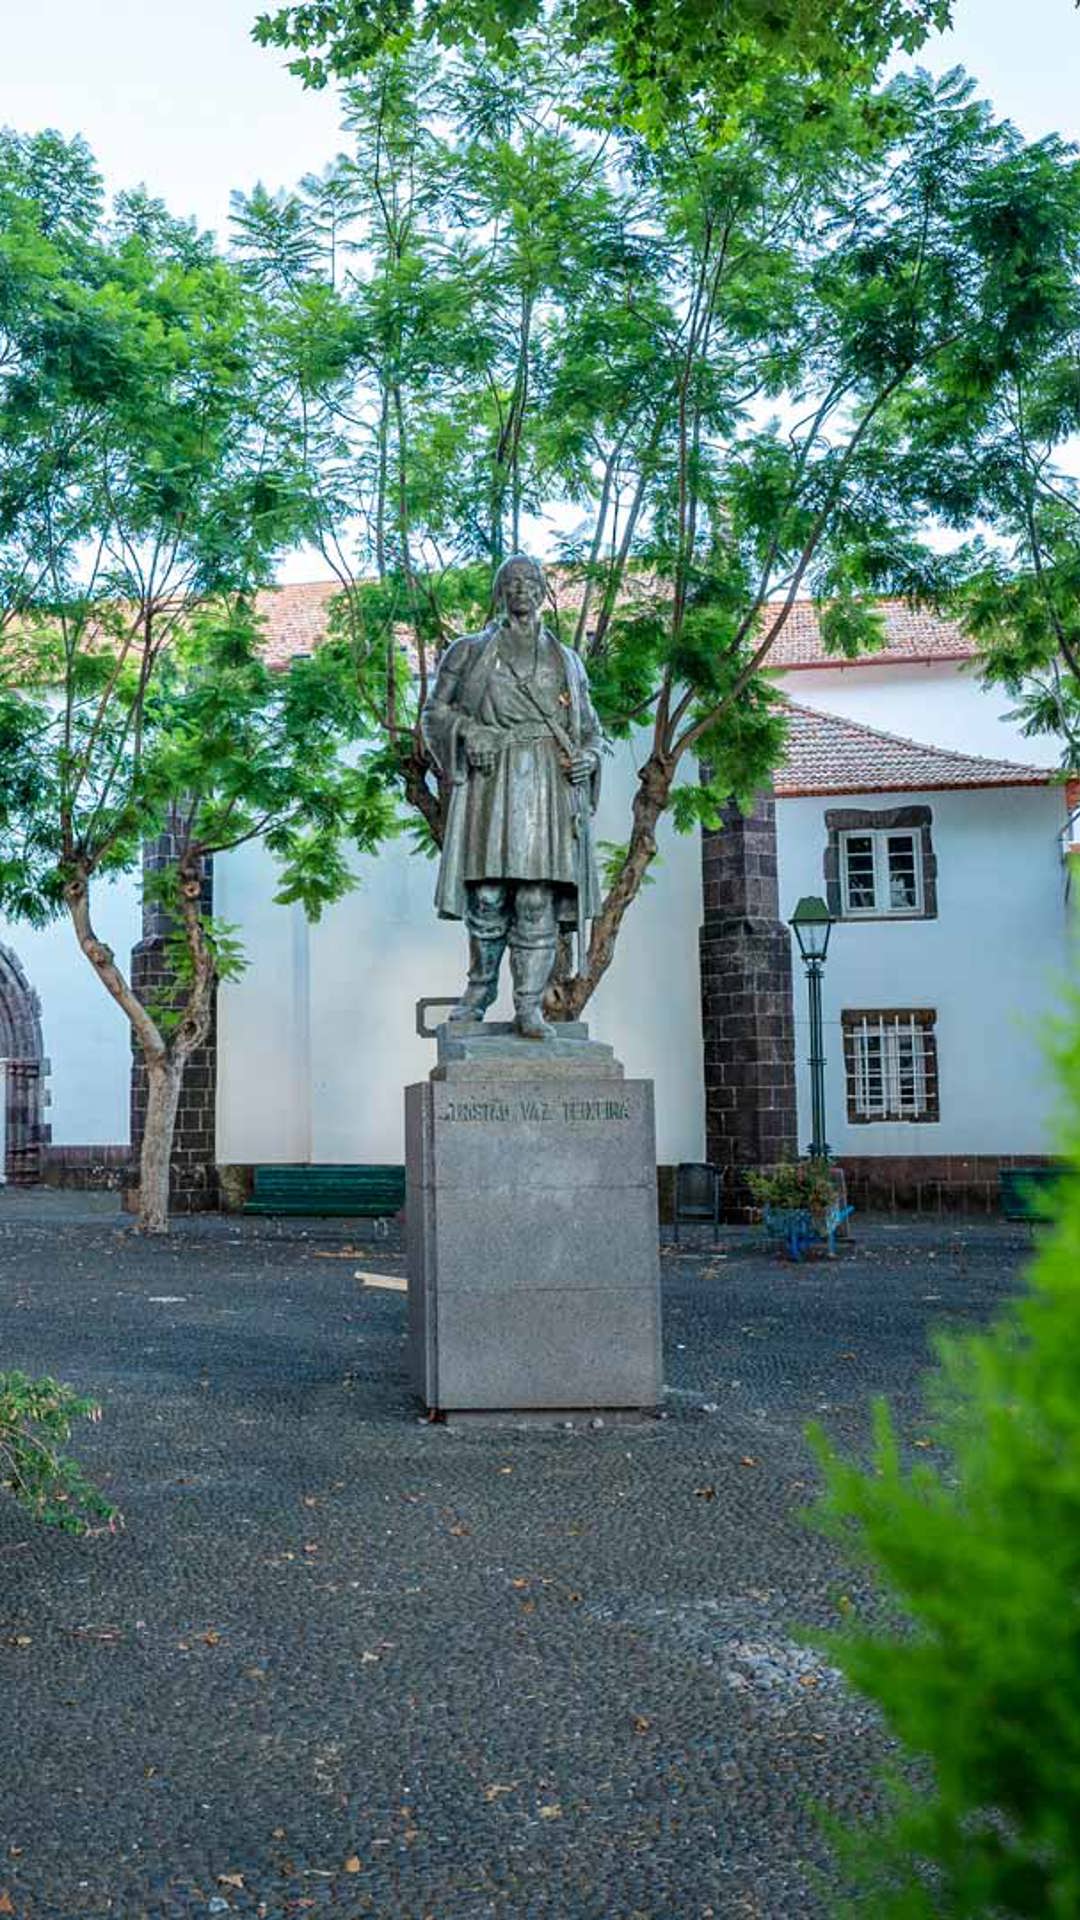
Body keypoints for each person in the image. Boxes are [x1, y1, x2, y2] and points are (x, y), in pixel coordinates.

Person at [421, 553, 602, 1039]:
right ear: (500, 592)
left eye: (530, 581)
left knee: (535, 898)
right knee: (487, 895)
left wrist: (589, 757)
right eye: (512, 582)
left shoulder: (567, 660)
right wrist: (466, 731)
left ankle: (529, 1005)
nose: (521, 589)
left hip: (546, 781)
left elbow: (590, 731)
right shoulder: (468, 651)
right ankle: (480, 991)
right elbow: (434, 713)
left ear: (543, 591)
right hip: (492, 780)